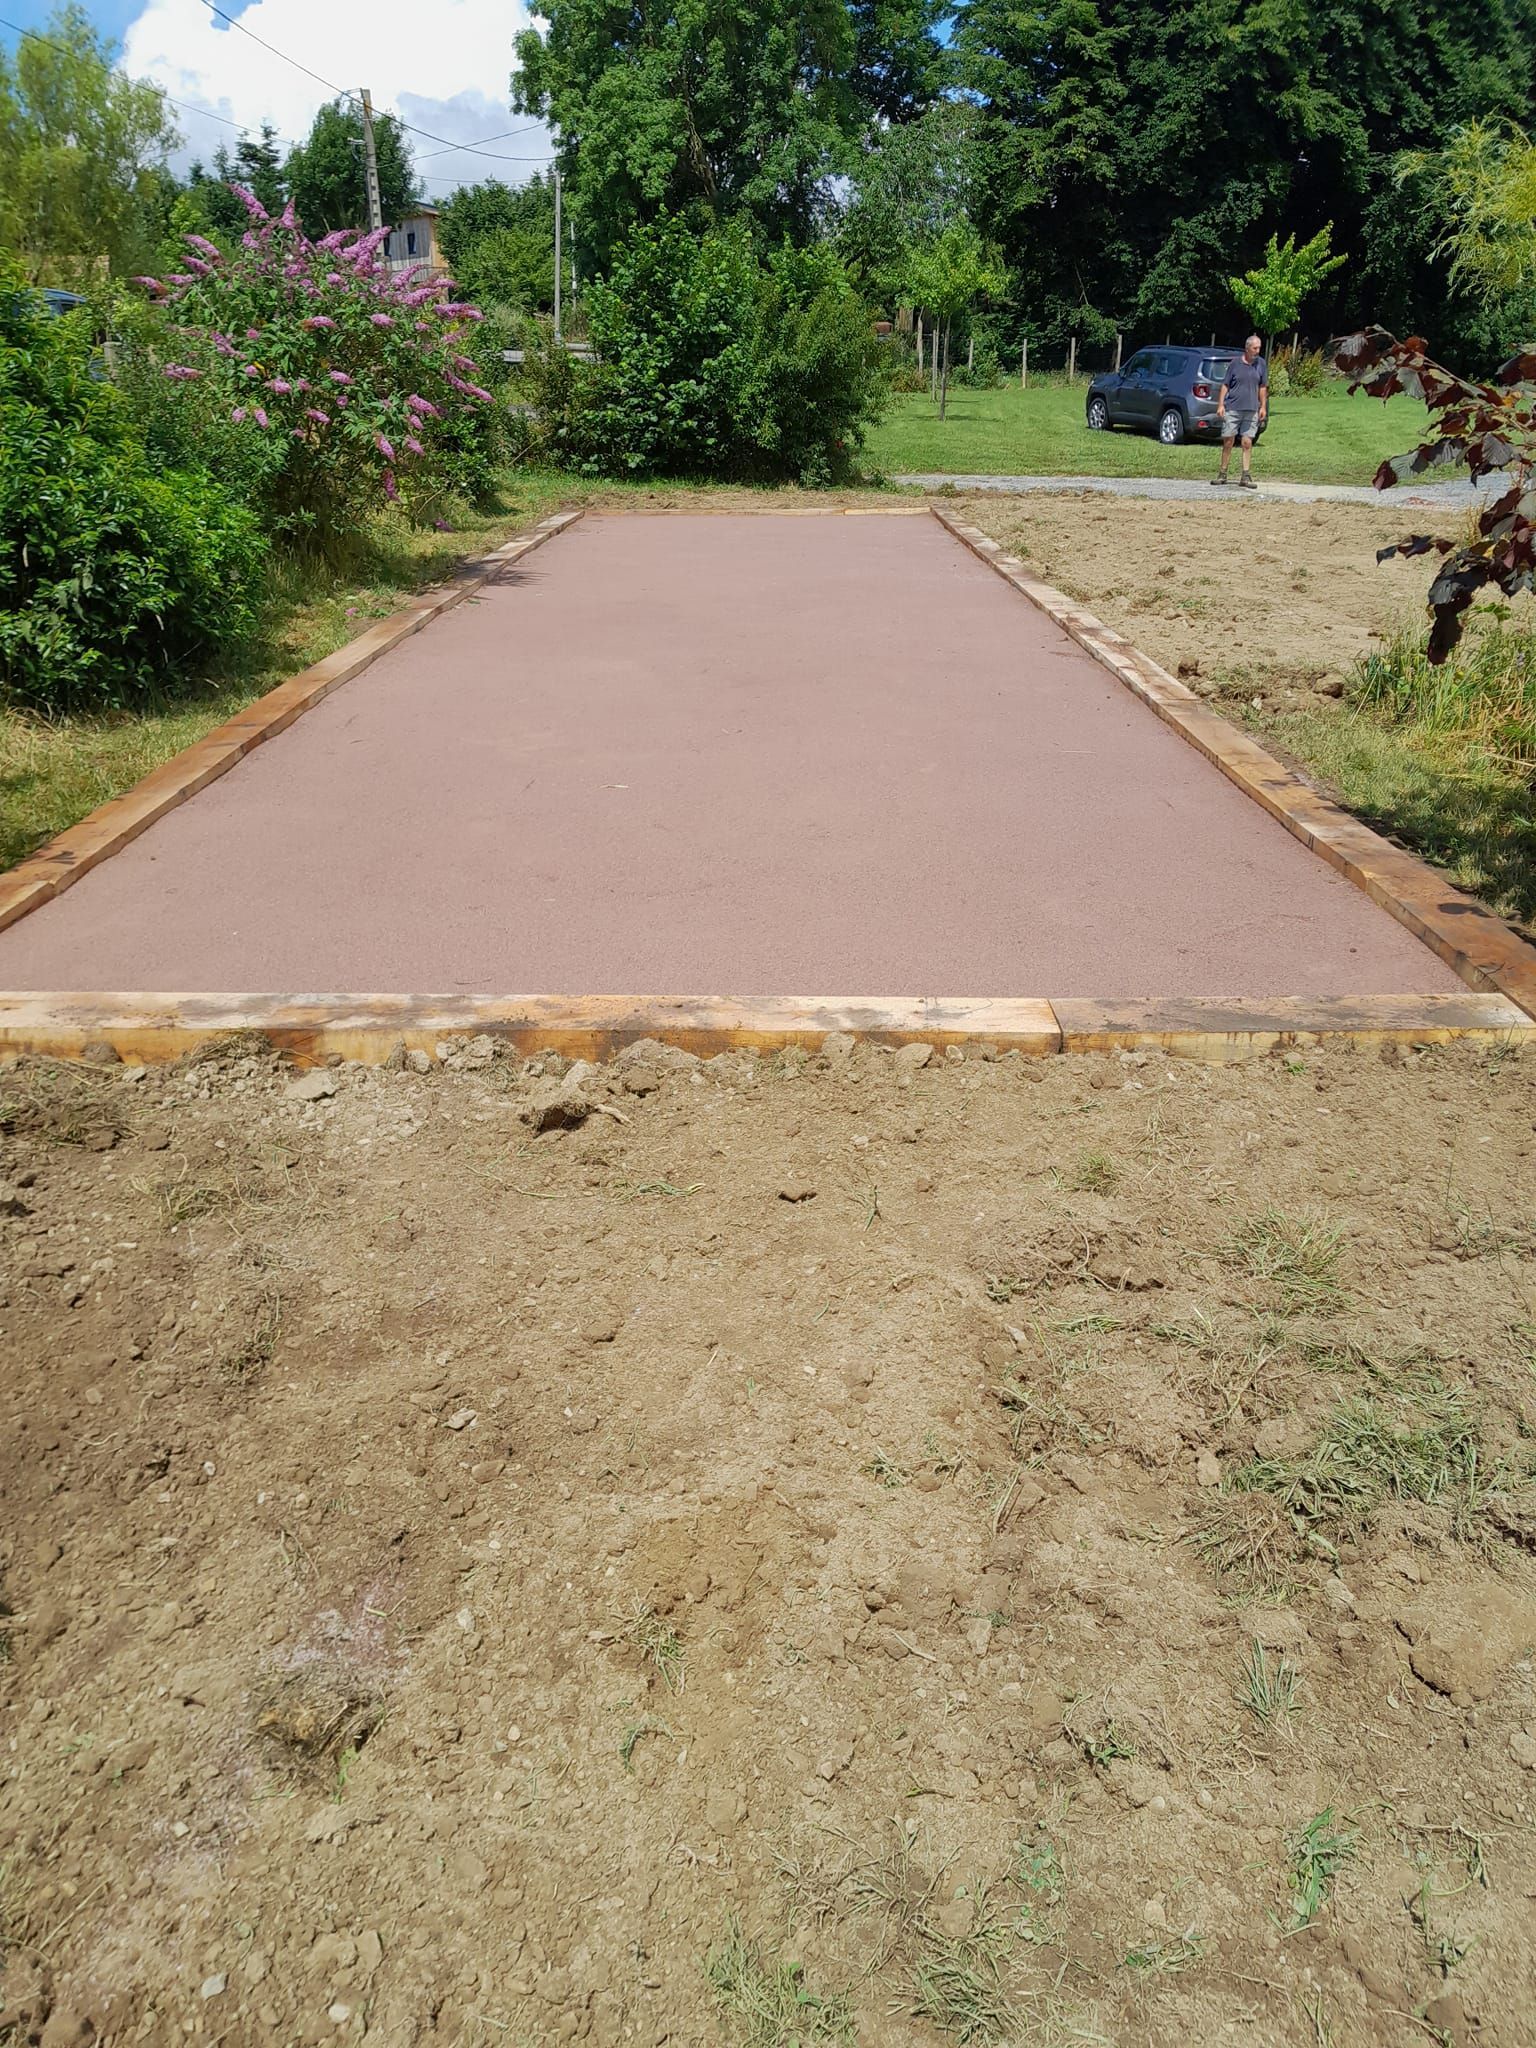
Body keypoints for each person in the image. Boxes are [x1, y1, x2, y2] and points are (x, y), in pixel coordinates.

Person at [1211, 335, 1268, 489]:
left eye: (1259, 348)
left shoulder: (1261, 364)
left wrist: (1263, 406)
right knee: (1228, 440)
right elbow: (1225, 385)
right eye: (1255, 348)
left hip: (1251, 409)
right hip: (1233, 408)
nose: (1257, 351)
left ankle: (1245, 475)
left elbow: (1263, 387)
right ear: (1247, 348)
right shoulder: (1235, 364)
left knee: (1247, 442)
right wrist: (1221, 405)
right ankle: (1223, 473)